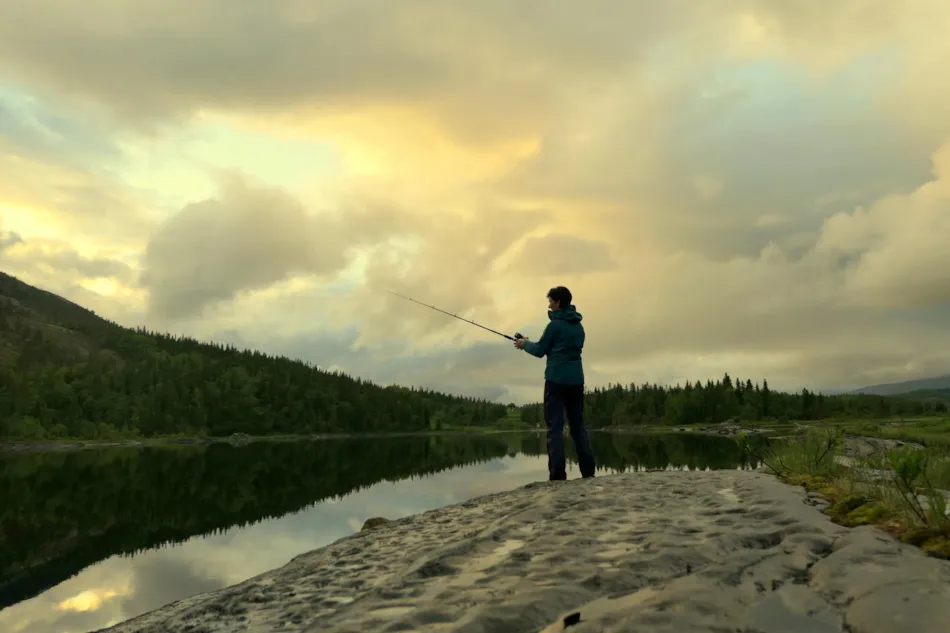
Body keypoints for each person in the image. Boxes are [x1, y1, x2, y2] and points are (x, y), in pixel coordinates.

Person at [514, 286, 596, 481]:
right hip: (576, 381)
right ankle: (588, 471)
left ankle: (558, 476)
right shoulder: (579, 327)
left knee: (555, 429)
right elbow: (559, 347)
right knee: (578, 427)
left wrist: (524, 344)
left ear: (558, 302)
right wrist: (529, 342)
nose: (549, 305)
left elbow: (540, 350)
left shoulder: (554, 326)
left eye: (551, 301)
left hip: (556, 381)